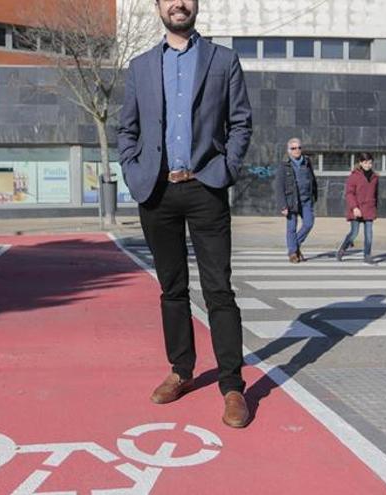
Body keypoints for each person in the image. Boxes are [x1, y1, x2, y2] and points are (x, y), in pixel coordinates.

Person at [117, 0, 253, 427]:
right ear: (158, 6)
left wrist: (226, 168)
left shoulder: (223, 60)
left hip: (205, 187)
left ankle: (232, 386)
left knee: (219, 290)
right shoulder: (140, 67)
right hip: (157, 191)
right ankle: (181, 371)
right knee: (172, 289)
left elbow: (241, 122)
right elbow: (128, 129)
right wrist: (134, 168)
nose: (179, 3)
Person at [273, 138, 318, 264]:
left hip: (306, 200)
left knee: (308, 223)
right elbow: (279, 187)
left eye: (299, 147)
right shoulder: (284, 165)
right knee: (291, 228)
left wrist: (314, 194)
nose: (297, 150)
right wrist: (283, 205)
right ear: (288, 150)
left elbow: (312, 179)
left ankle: (294, 246)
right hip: (291, 201)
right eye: (293, 148)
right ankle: (293, 253)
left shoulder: (307, 162)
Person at [336, 152, 379, 265]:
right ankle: (342, 249)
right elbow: (349, 194)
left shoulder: (375, 177)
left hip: (369, 209)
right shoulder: (354, 176)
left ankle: (367, 255)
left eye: (370, 163)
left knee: (369, 234)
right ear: (360, 163)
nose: (368, 165)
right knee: (354, 233)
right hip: (357, 209)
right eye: (365, 162)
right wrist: (354, 207)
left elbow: (376, 194)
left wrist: (375, 208)